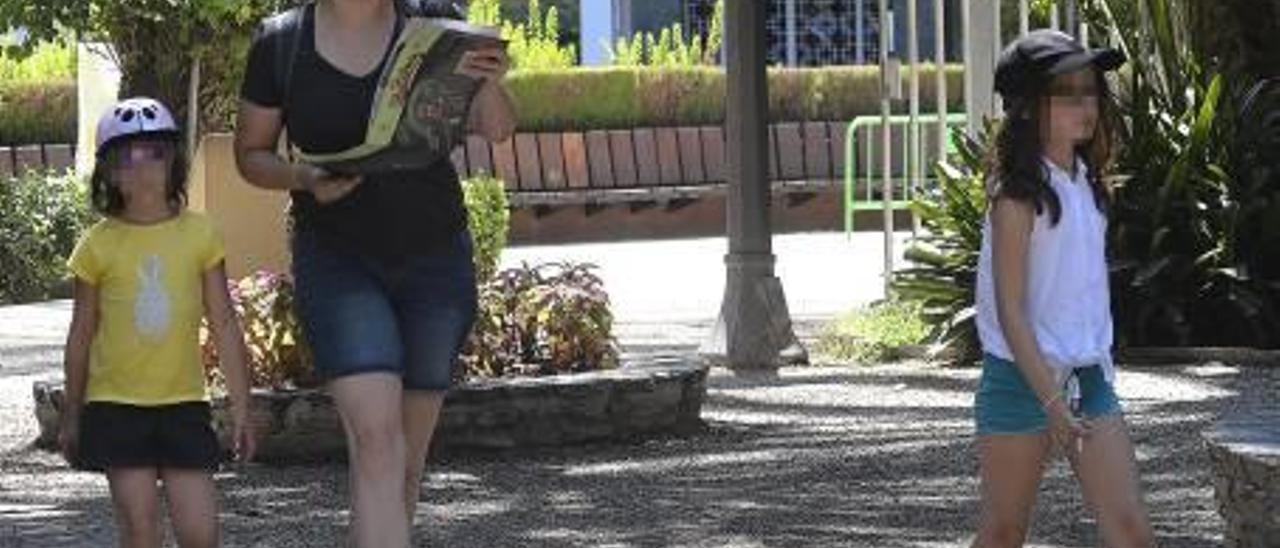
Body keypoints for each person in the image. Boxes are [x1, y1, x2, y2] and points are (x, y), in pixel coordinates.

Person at [233, 0, 515, 545]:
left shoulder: (436, 22)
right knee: (377, 443)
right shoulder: (281, 41)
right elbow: (251, 154)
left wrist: (491, 83)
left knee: (404, 462)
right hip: (338, 257)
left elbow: (498, 128)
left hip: (435, 258)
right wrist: (304, 176)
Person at [971, 30, 1156, 548]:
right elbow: (1010, 310)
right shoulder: (1015, 196)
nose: (1086, 104)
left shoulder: (1086, 181)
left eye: (1091, 89)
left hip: (1088, 379)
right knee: (1004, 533)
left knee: (1131, 530)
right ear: (1029, 107)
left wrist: (1072, 391)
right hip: (1020, 382)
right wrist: (1051, 403)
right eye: (1067, 92)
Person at [60, 97, 256, 548]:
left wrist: (243, 405)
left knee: (201, 533)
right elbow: (81, 336)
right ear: (108, 172)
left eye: (156, 152)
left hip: (185, 406)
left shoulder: (200, 234)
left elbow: (224, 321)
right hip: (116, 408)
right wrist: (72, 413)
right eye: (127, 156)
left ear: (175, 162)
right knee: (141, 531)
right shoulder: (96, 247)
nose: (142, 165)